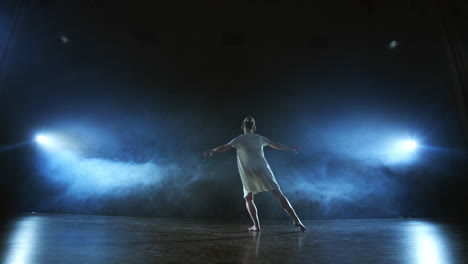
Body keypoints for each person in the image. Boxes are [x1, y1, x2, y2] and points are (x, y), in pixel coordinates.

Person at [204, 116, 306, 232]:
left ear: (242, 126)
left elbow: (224, 147)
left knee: (249, 198)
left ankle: (256, 226)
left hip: (249, 170)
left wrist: (212, 150)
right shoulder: (259, 138)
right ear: (254, 127)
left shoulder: (239, 139)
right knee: (278, 194)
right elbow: (275, 145)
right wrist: (289, 148)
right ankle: (296, 220)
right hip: (263, 168)